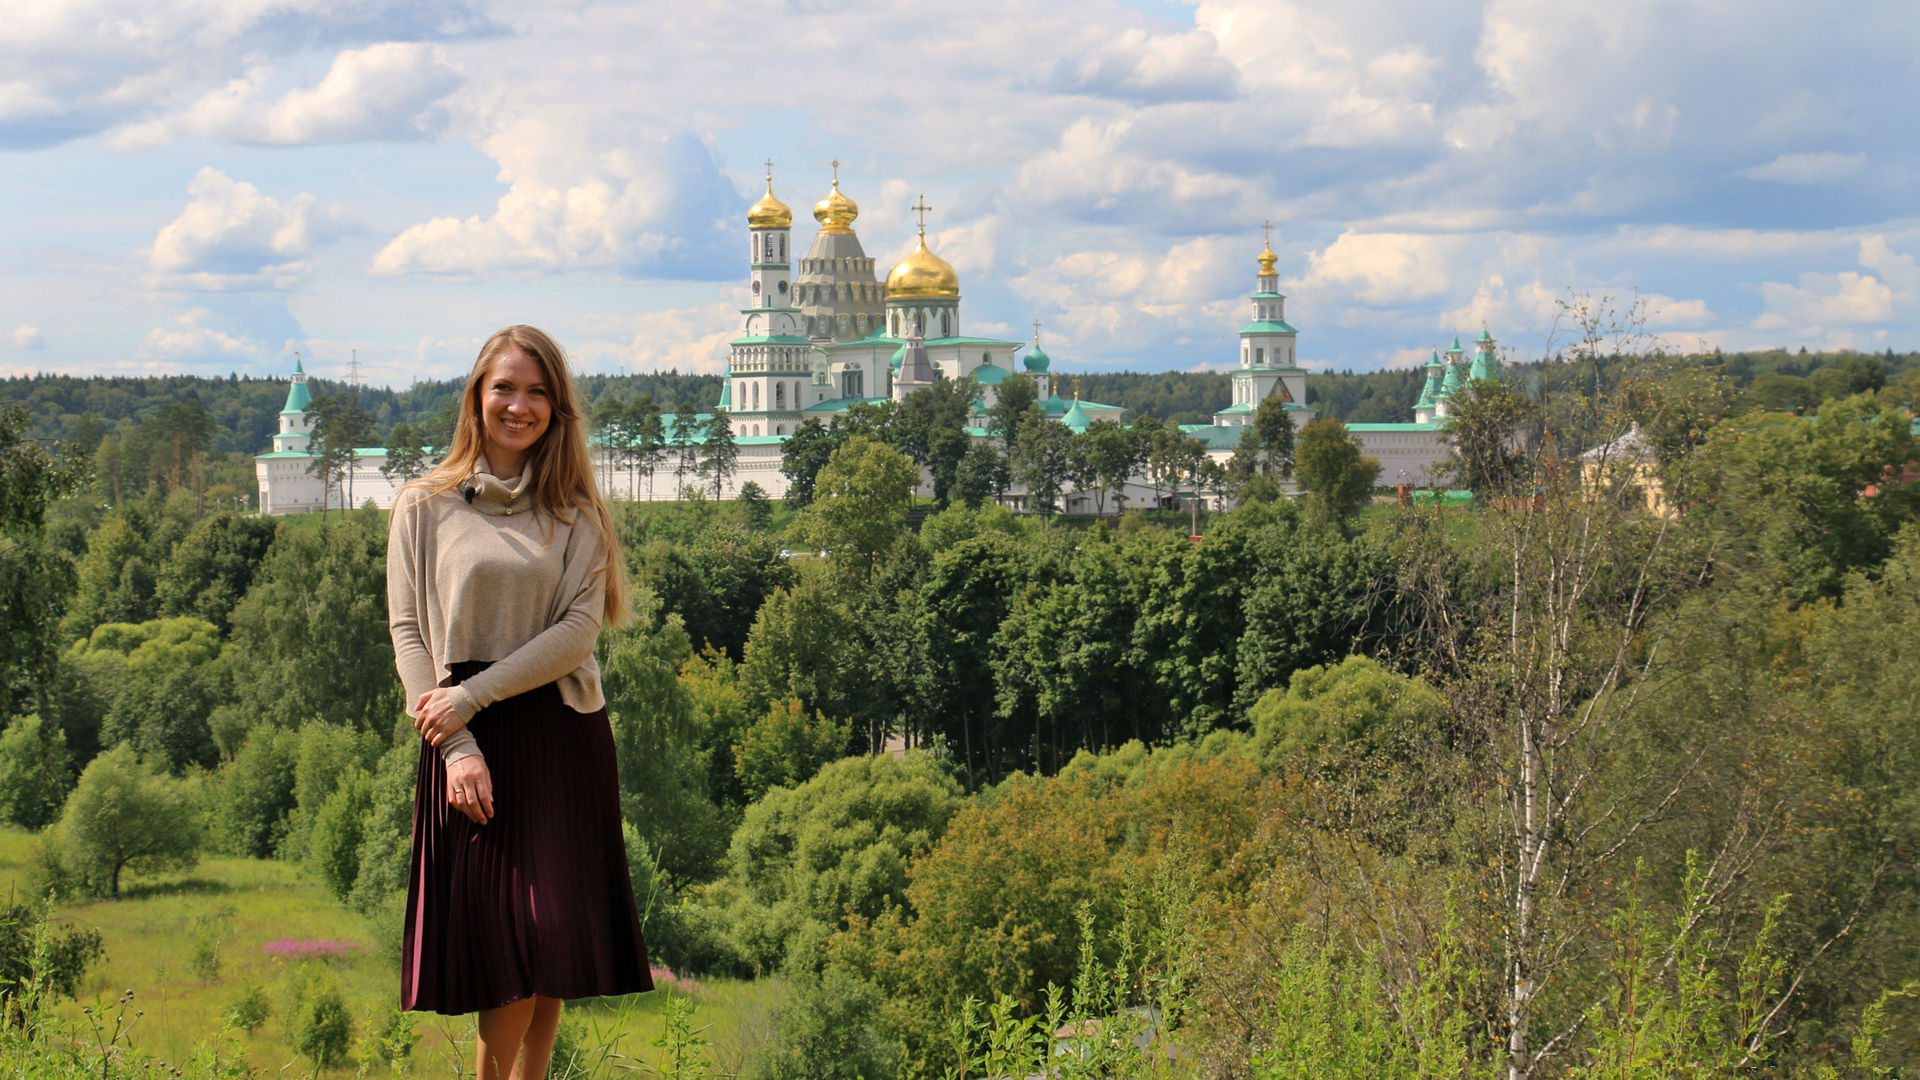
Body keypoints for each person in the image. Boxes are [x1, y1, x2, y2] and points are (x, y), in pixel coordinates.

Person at [388, 325, 651, 1080]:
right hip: (468, 738)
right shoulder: (424, 504)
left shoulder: (575, 512)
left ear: (557, 409)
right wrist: (458, 740)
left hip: (559, 731)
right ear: (477, 395)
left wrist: (470, 696)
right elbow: (410, 634)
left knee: (551, 931)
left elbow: (576, 634)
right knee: (508, 936)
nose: (520, 405)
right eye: (505, 387)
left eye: (538, 392)